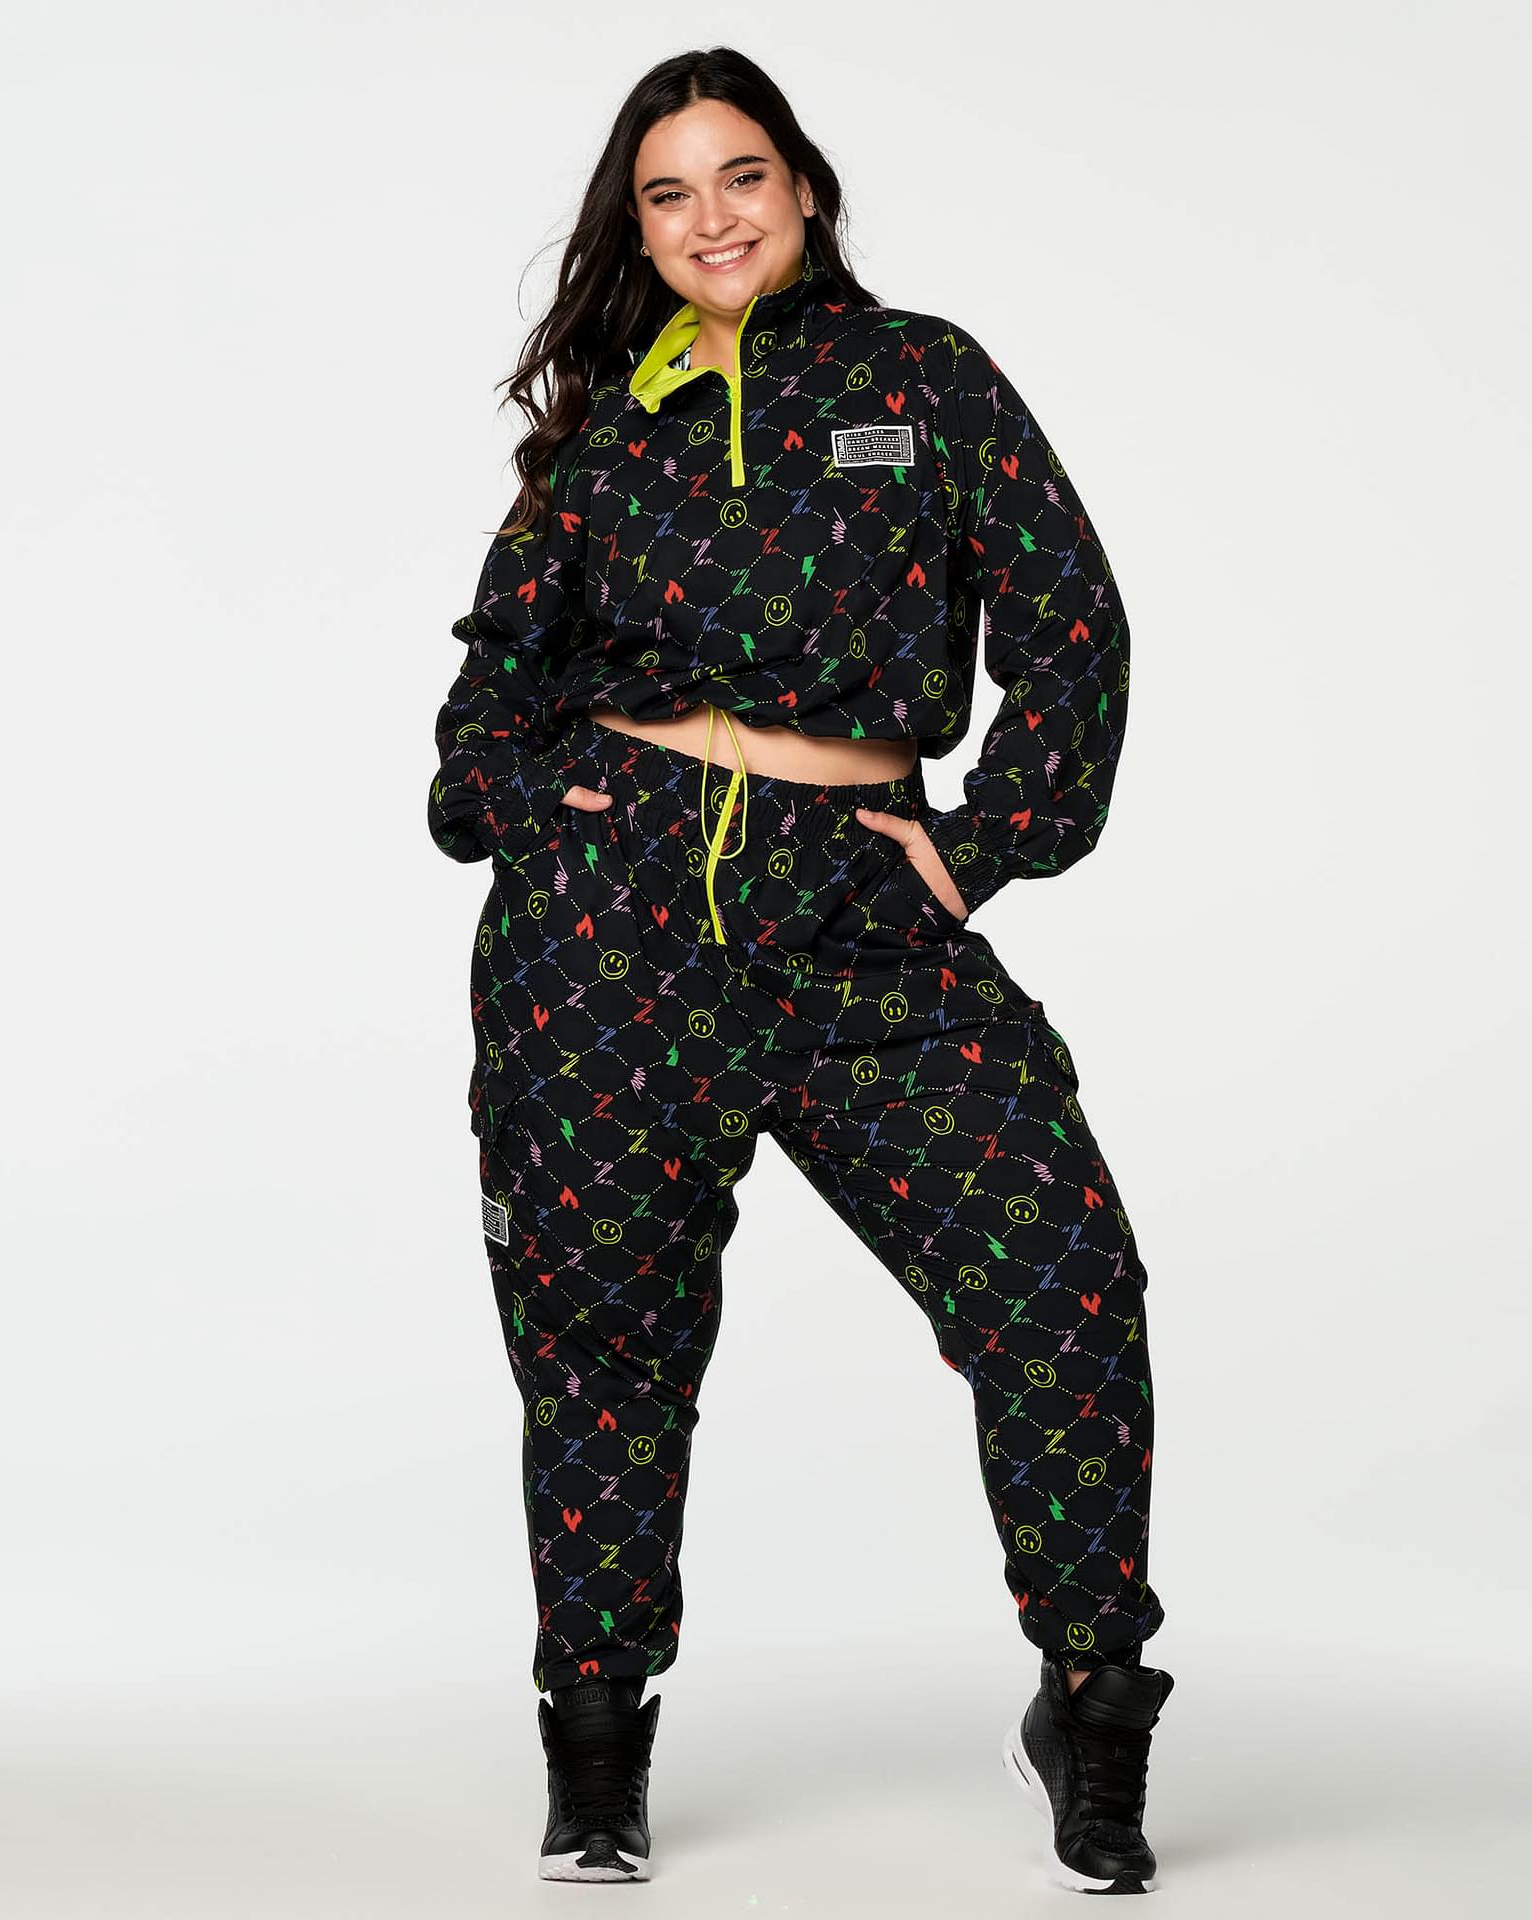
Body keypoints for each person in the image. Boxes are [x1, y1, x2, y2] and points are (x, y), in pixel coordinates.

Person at [426, 46, 1175, 1895]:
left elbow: (1072, 618)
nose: (712, 219)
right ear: (636, 230)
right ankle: (596, 1747)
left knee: (1061, 1285)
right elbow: (491, 689)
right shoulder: (608, 430)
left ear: (805, 186)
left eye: (742, 176)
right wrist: (526, 801)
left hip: (858, 913)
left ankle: (1094, 1701)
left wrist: (988, 840)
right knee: (602, 1347)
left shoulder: (921, 379)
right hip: (605, 932)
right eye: (669, 194)